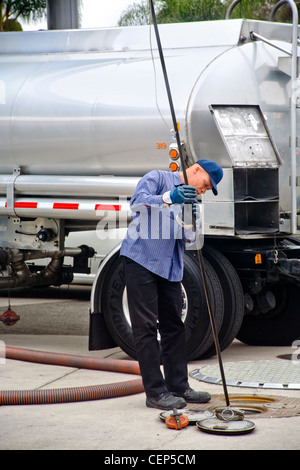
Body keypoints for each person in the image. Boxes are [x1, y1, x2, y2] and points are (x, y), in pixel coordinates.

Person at [120, 159, 223, 410]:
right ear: (197, 170)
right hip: (141, 259)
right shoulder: (158, 178)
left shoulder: (192, 200)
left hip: (170, 266)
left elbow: (189, 240)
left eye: (208, 190)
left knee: (174, 327)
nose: (204, 190)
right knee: (145, 327)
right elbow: (137, 204)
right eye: (206, 184)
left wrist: (191, 218)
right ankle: (155, 392)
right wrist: (170, 196)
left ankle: (178, 386)